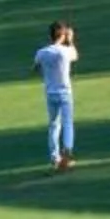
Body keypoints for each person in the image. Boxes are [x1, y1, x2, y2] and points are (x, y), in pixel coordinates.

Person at [32, 21, 79, 170]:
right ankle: (67, 154)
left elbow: (35, 68)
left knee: (54, 125)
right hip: (65, 93)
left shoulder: (42, 52)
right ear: (63, 35)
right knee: (67, 123)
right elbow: (75, 55)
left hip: (50, 93)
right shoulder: (65, 52)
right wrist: (71, 41)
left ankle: (54, 158)